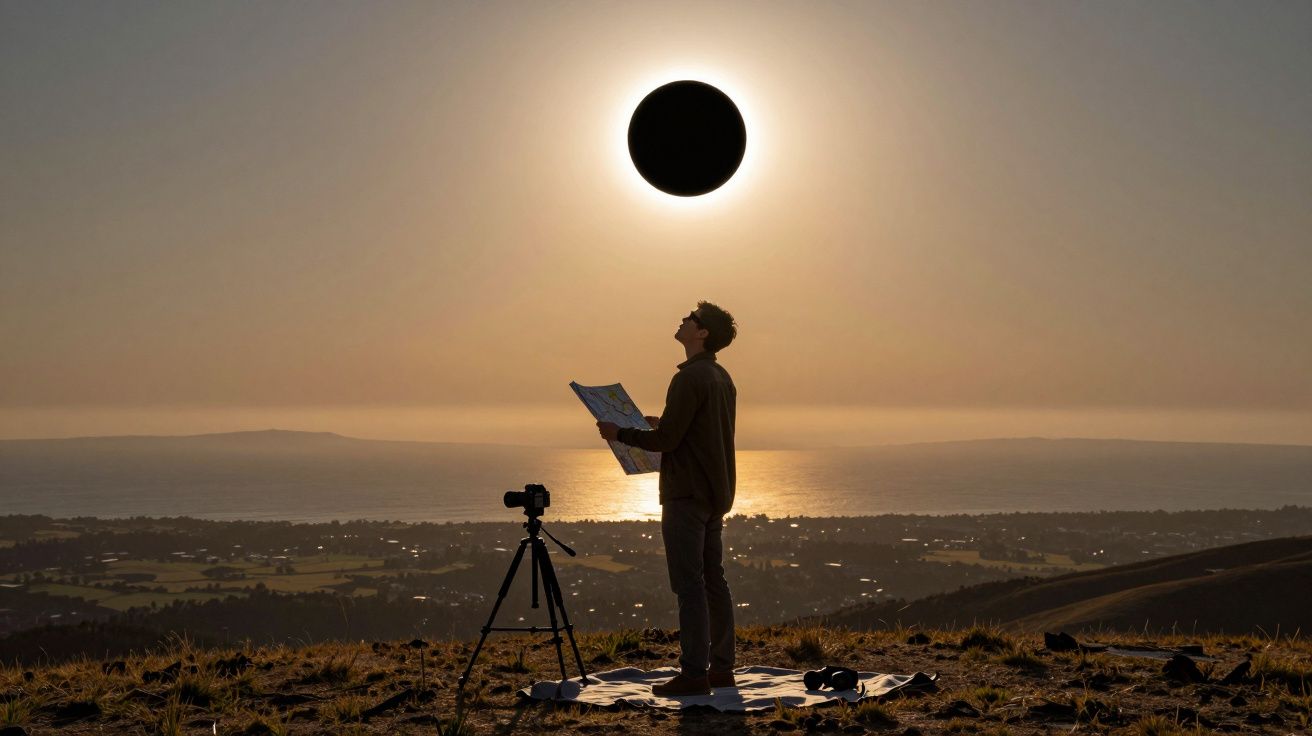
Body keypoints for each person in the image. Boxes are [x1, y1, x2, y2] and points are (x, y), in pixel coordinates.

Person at [596, 301, 738, 696]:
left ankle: (693, 673)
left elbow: (668, 442)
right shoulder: (720, 377)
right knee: (714, 579)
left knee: (689, 584)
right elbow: (698, 431)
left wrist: (619, 433)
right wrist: (665, 422)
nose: (681, 320)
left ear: (702, 332)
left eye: (689, 319)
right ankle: (721, 668)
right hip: (715, 491)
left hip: (686, 493)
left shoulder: (690, 378)